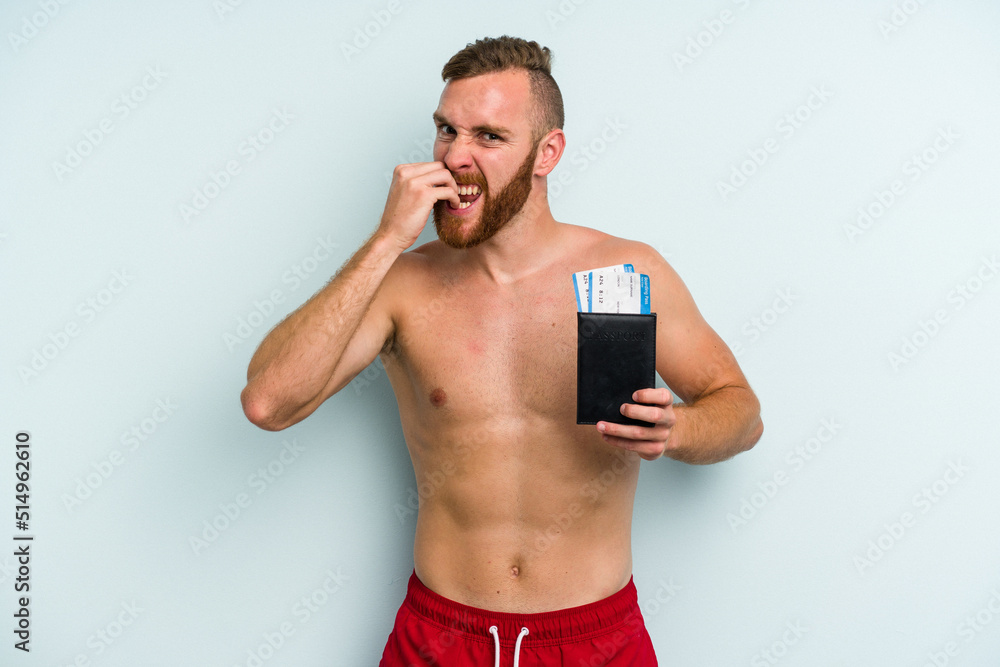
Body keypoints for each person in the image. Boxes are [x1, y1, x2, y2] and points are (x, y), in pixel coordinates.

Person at [241, 35, 762, 666]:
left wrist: (676, 429)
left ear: (547, 153)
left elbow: (742, 413)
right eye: (445, 131)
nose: (456, 156)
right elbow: (269, 403)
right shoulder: (403, 285)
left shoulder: (626, 272)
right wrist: (385, 242)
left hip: (595, 639)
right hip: (440, 636)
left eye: (488, 136)